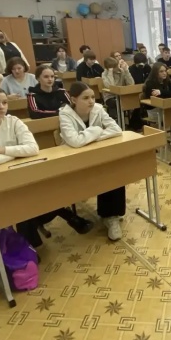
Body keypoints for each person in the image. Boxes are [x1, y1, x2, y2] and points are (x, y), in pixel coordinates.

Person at [0, 85, 69, 247]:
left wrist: (1, 150)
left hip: (20, 177)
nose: (1, 106)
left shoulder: (14, 121)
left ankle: (31, 239)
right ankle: (25, 243)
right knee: (18, 202)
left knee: (51, 193)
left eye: (4, 102)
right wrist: (16, 153)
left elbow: (33, 148)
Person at [26, 68, 93, 235]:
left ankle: (65, 207)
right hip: (44, 140)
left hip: (67, 136)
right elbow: (35, 114)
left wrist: (64, 113)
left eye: (52, 76)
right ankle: (53, 212)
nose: (50, 79)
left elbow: (73, 107)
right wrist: (62, 112)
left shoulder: (62, 91)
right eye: (46, 77)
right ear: (38, 78)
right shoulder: (33, 95)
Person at [59, 82, 127, 241]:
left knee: (114, 171)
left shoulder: (97, 109)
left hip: (98, 156)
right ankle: (108, 215)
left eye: (92, 97)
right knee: (102, 174)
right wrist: (97, 131)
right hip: (75, 162)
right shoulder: (65, 114)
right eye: (85, 98)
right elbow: (74, 141)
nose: (91, 101)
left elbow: (116, 130)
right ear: (74, 99)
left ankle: (111, 217)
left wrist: (88, 138)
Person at [141, 62, 171, 151]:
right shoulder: (150, 83)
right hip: (154, 111)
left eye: (165, 71)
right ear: (155, 73)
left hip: (166, 108)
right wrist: (164, 94)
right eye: (161, 71)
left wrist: (161, 92)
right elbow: (156, 97)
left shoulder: (168, 82)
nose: (164, 73)